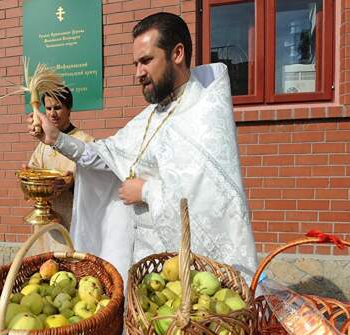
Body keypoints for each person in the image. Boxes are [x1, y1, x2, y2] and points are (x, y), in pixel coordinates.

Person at [28, 12, 257, 280]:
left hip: (184, 271)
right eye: (136, 63)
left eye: (146, 61)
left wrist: (147, 191)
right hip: (143, 261)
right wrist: (55, 138)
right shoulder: (151, 116)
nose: (138, 73)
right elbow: (105, 155)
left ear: (178, 53)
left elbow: (212, 199)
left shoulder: (204, 114)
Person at [25, 87, 93, 253]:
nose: (52, 114)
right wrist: (28, 176)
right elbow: (34, 169)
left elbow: (97, 183)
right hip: (45, 225)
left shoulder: (85, 142)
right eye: (48, 108)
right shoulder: (43, 143)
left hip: (72, 223)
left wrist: (73, 183)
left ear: (69, 109)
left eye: (58, 107)